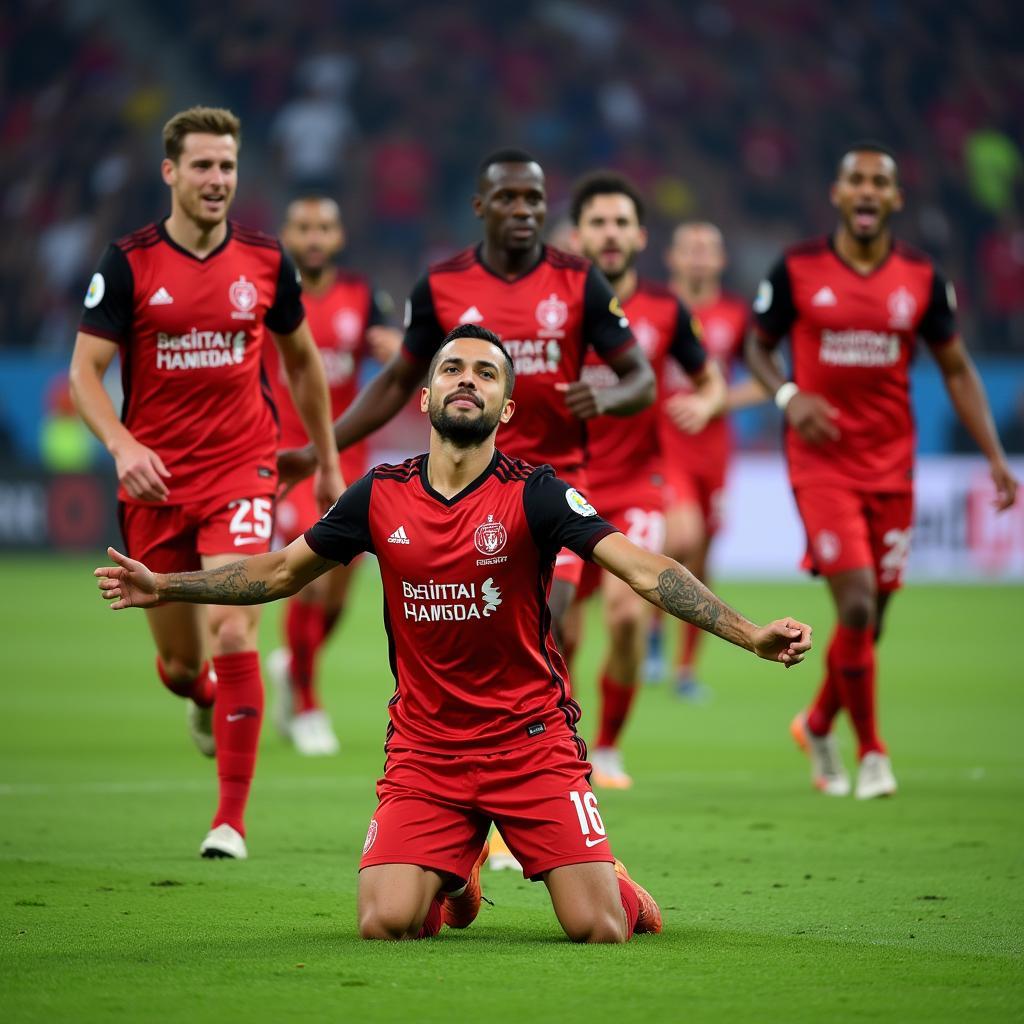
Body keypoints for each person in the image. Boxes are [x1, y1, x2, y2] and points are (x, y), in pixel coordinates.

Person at [94, 324, 813, 943]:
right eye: (452, 369)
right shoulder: (379, 493)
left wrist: (749, 634)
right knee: (383, 923)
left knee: (599, 928)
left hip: (531, 744)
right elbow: (281, 570)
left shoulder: (536, 491)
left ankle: (616, 887)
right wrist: (166, 584)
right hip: (426, 750)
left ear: (507, 405)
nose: (467, 380)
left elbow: (647, 570)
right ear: (426, 397)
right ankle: (453, 879)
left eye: (486, 373)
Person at [69, 106, 343, 859]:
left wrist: (325, 462)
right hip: (153, 485)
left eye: (227, 166)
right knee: (184, 664)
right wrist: (122, 444)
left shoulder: (264, 259)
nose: (217, 179)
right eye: (202, 166)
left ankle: (230, 820)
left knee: (234, 621)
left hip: (242, 469)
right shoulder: (127, 262)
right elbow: (84, 373)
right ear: (171, 172)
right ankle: (199, 697)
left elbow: (303, 364)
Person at [277, 149, 656, 645]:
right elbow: (396, 381)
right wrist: (315, 450)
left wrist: (605, 400)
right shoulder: (441, 285)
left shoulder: (580, 281)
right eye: (508, 198)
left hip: (556, 478)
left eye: (534, 200)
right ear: (480, 207)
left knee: (552, 623)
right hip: (472, 482)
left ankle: (550, 724)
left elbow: (641, 378)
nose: (523, 210)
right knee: (485, 626)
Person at [745, 141, 1018, 800]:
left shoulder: (922, 279)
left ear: (896, 199)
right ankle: (872, 754)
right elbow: (756, 346)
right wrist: (787, 396)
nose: (867, 192)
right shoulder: (798, 269)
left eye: (880, 183)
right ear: (837, 194)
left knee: (872, 619)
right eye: (856, 181)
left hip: (893, 467)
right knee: (859, 602)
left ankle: (815, 724)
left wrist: (993, 456)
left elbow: (955, 368)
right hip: (821, 464)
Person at [563, 174, 727, 789]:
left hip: (635, 486)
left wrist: (708, 403)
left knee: (629, 618)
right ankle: (562, 747)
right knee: (560, 630)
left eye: (620, 222)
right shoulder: (555, 309)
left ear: (639, 235)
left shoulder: (666, 309)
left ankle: (606, 747)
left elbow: (707, 377)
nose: (609, 233)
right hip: (564, 488)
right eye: (598, 222)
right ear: (578, 234)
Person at [263, 194, 400, 756]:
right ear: (287, 235)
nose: (314, 236)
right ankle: (308, 701)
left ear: (338, 237)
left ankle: (293, 663)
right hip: (288, 457)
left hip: (346, 459)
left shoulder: (363, 297)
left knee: (340, 589)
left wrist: (396, 347)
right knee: (312, 575)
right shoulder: (270, 296)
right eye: (303, 227)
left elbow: (400, 354)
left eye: (324, 227)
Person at [645, 222, 767, 700]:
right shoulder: (654, 309)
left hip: (714, 454)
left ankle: (685, 668)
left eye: (707, 250)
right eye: (689, 249)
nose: (698, 257)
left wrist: (717, 402)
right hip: (663, 446)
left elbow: (763, 380)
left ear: (721, 261)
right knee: (681, 535)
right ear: (671, 258)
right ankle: (653, 630)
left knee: (704, 554)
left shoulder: (735, 315)